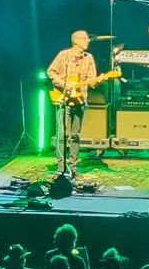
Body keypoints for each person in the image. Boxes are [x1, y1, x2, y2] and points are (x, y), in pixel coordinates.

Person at [46, 30, 108, 177]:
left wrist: (100, 80)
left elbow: (92, 81)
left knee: (75, 135)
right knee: (62, 135)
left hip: (80, 100)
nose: (88, 41)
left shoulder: (89, 58)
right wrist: (64, 84)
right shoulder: (64, 55)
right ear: (76, 41)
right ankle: (61, 168)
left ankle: (72, 168)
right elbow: (50, 72)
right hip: (63, 99)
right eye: (85, 38)